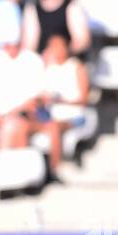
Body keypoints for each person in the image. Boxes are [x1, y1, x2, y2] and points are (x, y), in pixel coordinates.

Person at [37, 33, 90, 174]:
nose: (56, 50)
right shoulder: (48, 68)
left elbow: (84, 99)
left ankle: (54, 169)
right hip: (50, 115)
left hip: (73, 115)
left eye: (59, 46)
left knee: (53, 127)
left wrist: (61, 100)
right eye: (52, 46)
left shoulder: (76, 67)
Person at [21, 0, 91, 57]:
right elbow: (29, 43)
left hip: (69, 59)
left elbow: (82, 41)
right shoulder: (32, 9)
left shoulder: (72, 7)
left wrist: (62, 53)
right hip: (43, 60)